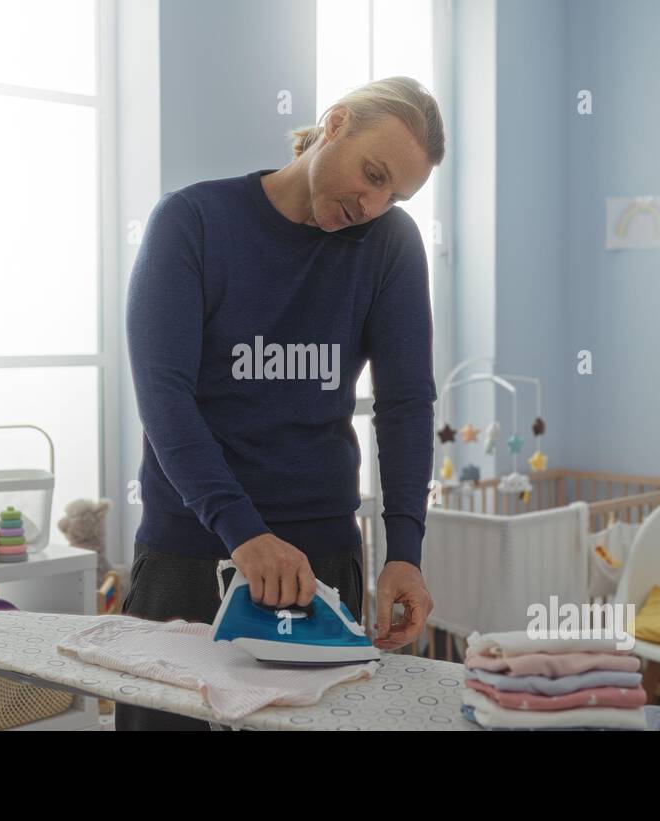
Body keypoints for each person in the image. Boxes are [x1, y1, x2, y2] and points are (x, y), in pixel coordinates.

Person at [120, 76, 445, 730]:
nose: (374, 203)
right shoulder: (193, 223)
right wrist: (243, 532)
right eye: (372, 173)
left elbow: (406, 403)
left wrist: (404, 550)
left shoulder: (389, 246)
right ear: (335, 124)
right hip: (191, 553)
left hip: (322, 561)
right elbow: (165, 400)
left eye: (394, 193)